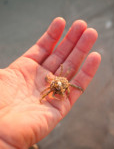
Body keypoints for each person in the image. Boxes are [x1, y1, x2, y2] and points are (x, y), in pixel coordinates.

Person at [0, 17, 101, 149]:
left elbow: (64, 82)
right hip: (57, 81)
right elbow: (52, 87)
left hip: (59, 81)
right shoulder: (54, 85)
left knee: (64, 78)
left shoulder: (59, 83)